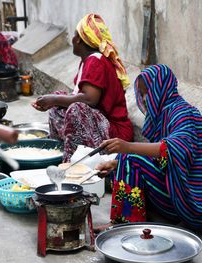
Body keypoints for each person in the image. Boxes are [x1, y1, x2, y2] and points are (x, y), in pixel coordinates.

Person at [96, 64, 202, 230]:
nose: (145, 98)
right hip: (175, 189)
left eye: (148, 91)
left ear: (162, 87)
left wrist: (128, 147)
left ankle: (123, 225)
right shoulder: (165, 114)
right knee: (124, 161)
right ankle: (133, 217)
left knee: (131, 158)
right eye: (142, 93)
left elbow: (173, 149)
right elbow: (158, 159)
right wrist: (115, 164)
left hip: (196, 201)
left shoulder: (184, 113)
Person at [32, 13, 133, 162]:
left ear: (78, 39)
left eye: (73, 35)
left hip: (114, 132)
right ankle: (60, 150)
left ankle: (72, 163)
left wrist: (53, 99)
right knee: (58, 103)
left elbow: (89, 100)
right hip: (98, 124)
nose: (72, 40)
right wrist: (53, 100)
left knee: (75, 109)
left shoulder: (96, 61)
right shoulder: (89, 60)